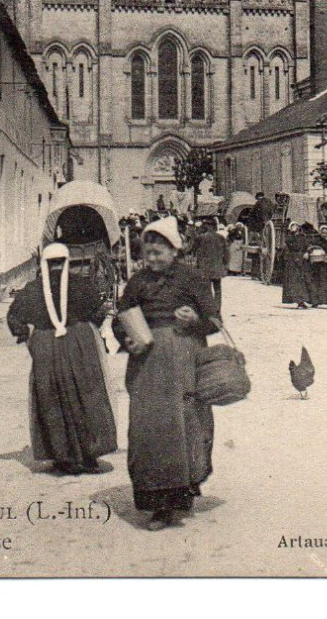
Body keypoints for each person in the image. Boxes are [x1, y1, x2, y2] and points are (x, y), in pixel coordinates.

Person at [113, 217, 220, 531]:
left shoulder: (193, 279)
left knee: (183, 426)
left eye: (159, 252)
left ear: (175, 250)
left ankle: (177, 500)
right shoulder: (137, 282)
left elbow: (215, 320)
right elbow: (120, 318)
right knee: (147, 428)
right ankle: (156, 503)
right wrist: (127, 338)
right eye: (149, 253)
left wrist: (194, 319)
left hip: (184, 360)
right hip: (146, 364)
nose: (153, 259)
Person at [6, 242, 117, 475]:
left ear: (44, 264)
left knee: (51, 400)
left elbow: (13, 317)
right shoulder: (80, 285)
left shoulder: (32, 289)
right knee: (85, 395)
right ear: (66, 263)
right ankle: (88, 457)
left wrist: (26, 336)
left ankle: (62, 458)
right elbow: (97, 313)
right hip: (79, 344)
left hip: (46, 346)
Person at [191, 216, 228, 312]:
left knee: (206, 289)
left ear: (208, 226)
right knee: (218, 290)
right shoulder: (221, 237)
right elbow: (226, 253)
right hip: (217, 268)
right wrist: (225, 264)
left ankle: (208, 308)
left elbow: (193, 250)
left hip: (205, 268)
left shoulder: (201, 238)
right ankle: (217, 308)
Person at [306, 224, 327, 309]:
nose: (324, 234)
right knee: (318, 283)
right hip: (319, 265)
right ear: (320, 233)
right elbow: (311, 249)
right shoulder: (317, 242)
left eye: (326, 232)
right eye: (322, 232)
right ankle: (315, 302)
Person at [281, 222, 311, 308]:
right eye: (293, 227)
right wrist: (292, 233)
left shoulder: (303, 237)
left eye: (296, 226)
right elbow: (290, 244)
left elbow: (307, 246)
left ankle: (302, 301)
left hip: (302, 260)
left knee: (302, 280)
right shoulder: (290, 238)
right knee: (295, 281)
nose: (295, 228)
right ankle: (299, 301)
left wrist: (307, 252)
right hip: (293, 261)